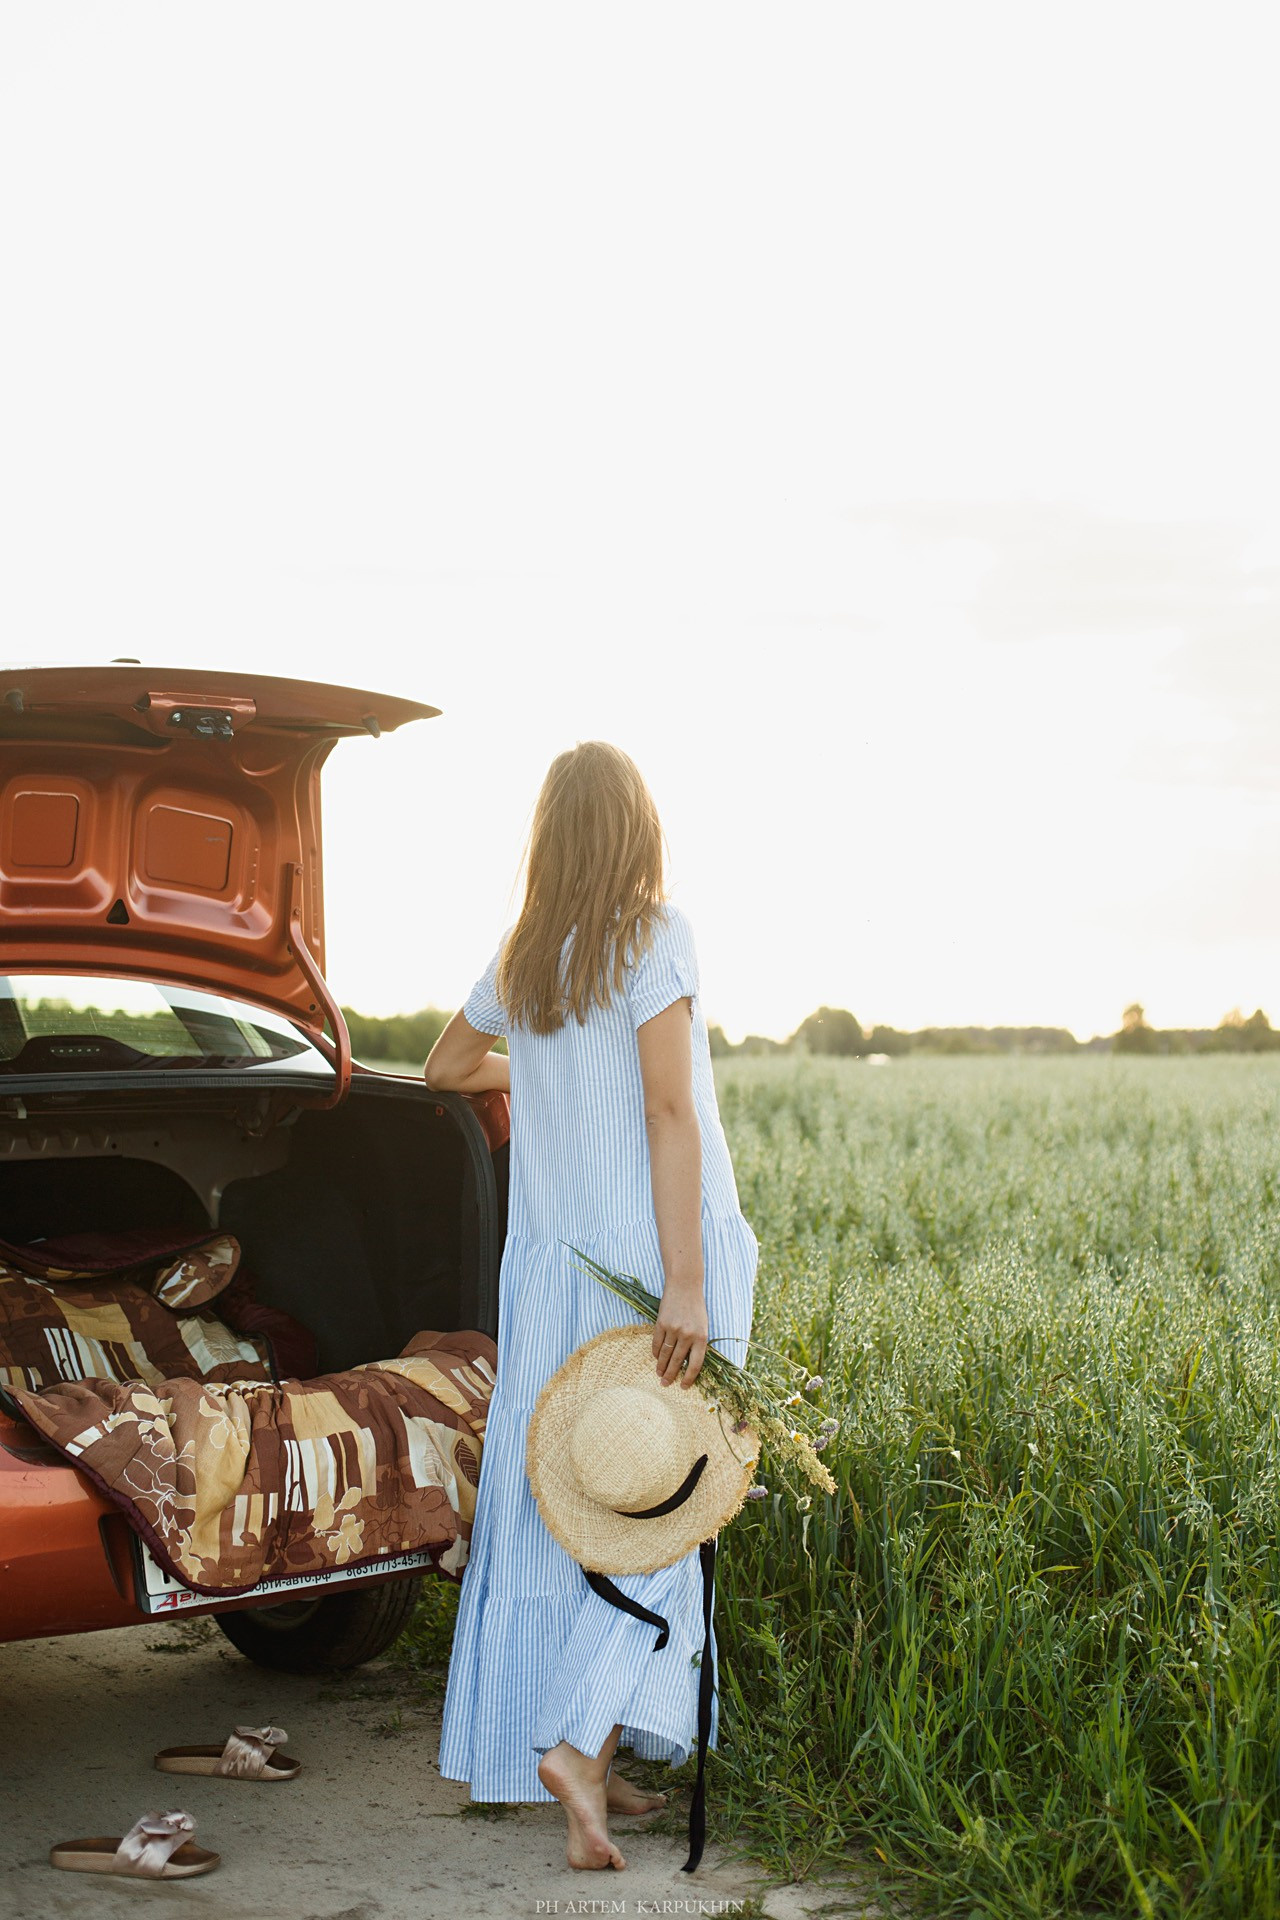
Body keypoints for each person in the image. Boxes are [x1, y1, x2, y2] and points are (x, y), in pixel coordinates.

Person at [426, 740, 758, 1873]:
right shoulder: (651, 935)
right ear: (636, 828)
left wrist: (545, 1071)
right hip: (643, 1267)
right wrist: (686, 1281)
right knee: (666, 1497)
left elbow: (440, 1066)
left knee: (567, 1497)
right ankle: (573, 1742)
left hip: (551, 1272)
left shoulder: (528, 958)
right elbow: (670, 1113)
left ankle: (591, 1755)